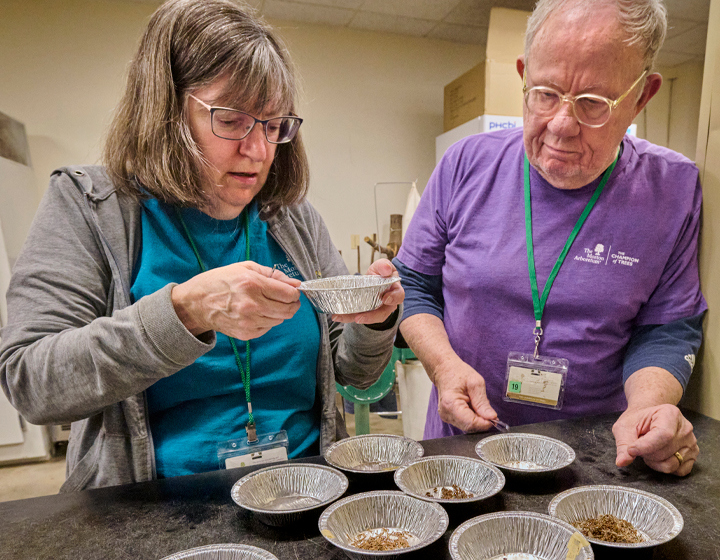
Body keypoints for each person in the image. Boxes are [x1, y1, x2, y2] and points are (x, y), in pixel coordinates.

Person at [0, 0, 403, 491]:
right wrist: (185, 312)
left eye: (274, 125)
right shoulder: (91, 206)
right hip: (155, 508)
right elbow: (32, 384)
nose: (258, 151)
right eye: (231, 121)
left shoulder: (292, 218)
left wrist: (375, 322)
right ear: (165, 112)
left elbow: (354, 376)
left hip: (306, 491)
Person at [394, 0, 704, 476]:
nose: (561, 124)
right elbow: (412, 285)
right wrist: (442, 366)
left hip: (597, 458)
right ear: (523, 75)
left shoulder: (674, 189)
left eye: (593, 104)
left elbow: (666, 328)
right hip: (463, 449)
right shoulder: (464, 164)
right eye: (544, 93)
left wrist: (647, 406)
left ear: (642, 96)